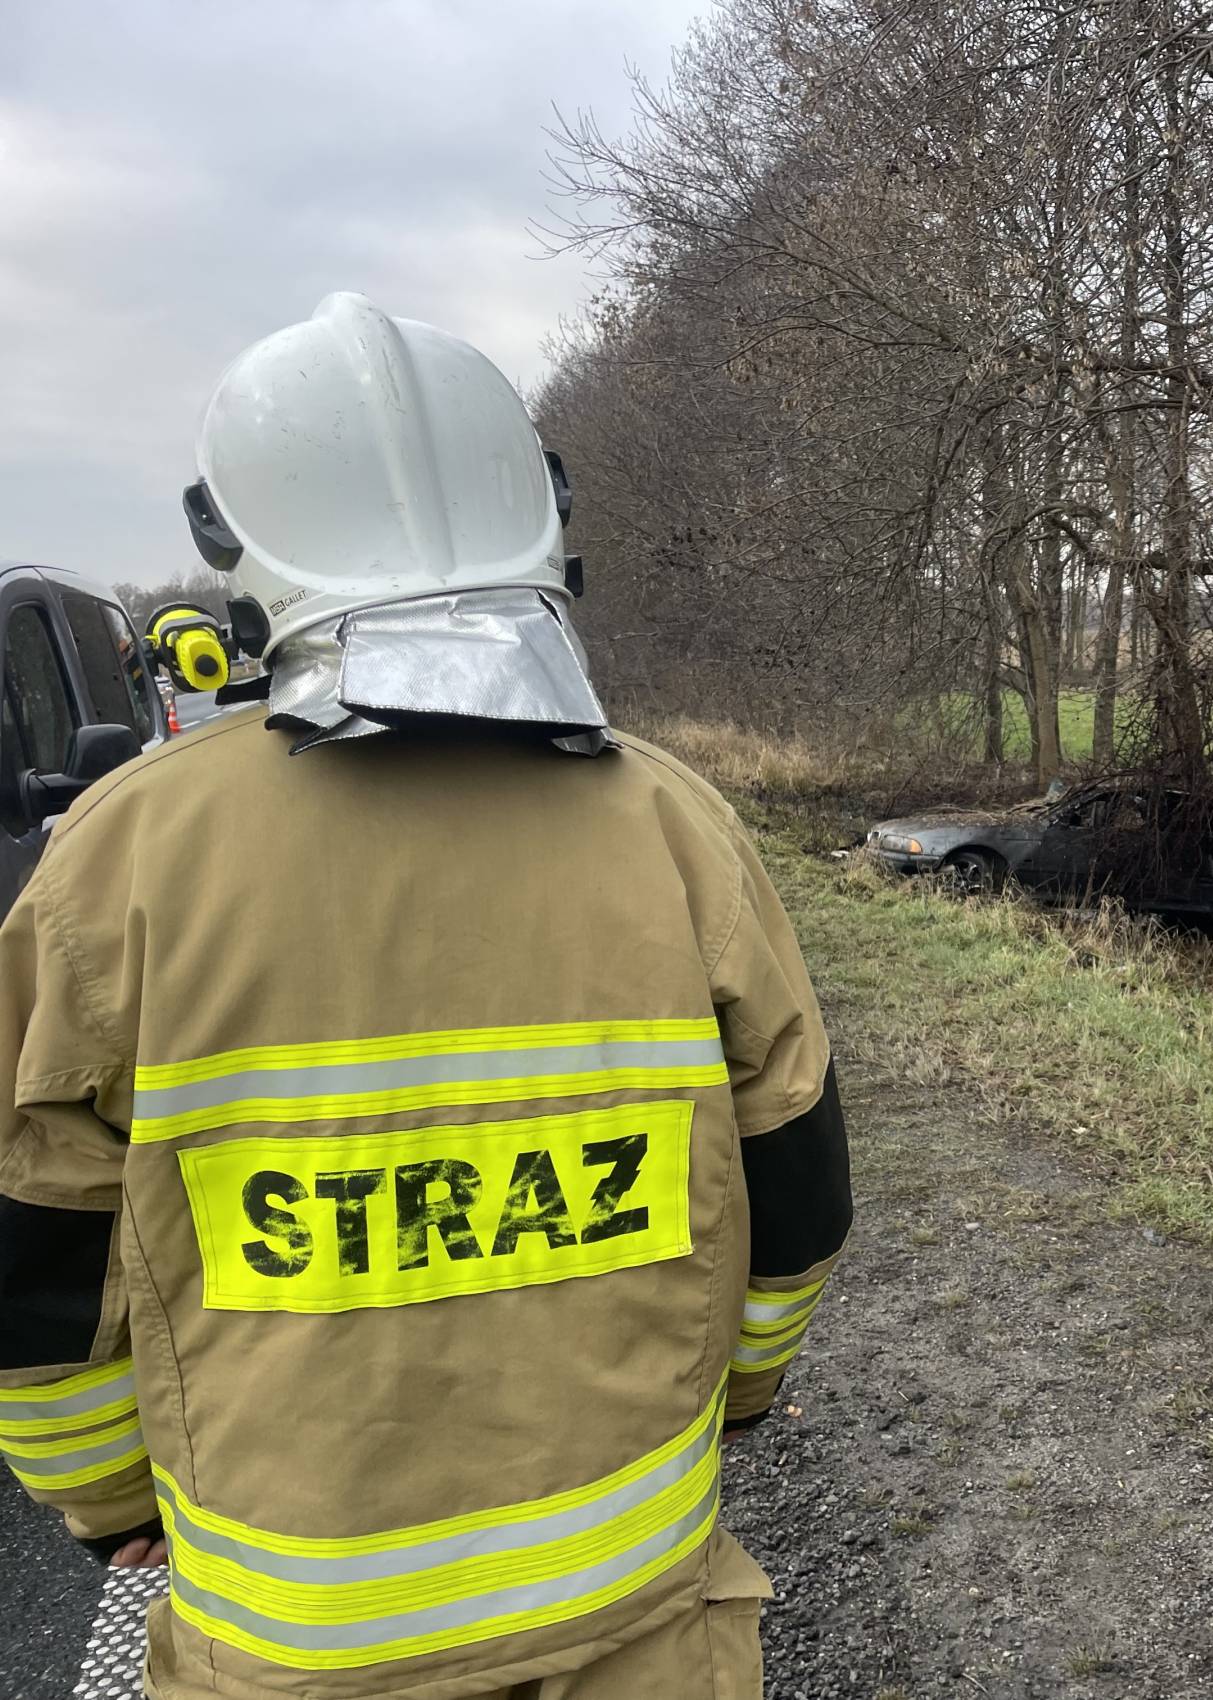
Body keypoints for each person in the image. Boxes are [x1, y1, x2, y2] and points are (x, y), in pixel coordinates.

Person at [0, 293, 851, 1699]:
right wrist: (741, 1397)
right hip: (636, 1614)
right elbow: (797, 1191)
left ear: (240, 542)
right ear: (539, 519)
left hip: (293, 1642)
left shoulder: (121, 859)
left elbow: (33, 1253)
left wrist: (110, 1501)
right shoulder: (673, 824)